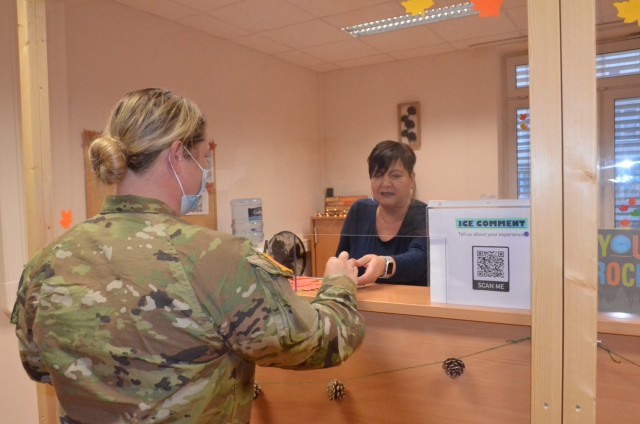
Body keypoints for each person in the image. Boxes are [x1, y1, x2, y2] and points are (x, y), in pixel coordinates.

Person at [11, 88, 365, 423]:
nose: (205, 175)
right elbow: (321, 342)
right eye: (204, 160)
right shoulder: (218, 259)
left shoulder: (47, 261)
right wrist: (338, 284)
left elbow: (38, 365)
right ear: (178, 155)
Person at [336, 140, 428, 286]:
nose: (385, 183)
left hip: (409, 306)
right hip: (360, 305)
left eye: (396, 176)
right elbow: (342, 259)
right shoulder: (359, 211)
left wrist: (384, 265)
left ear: (411, 179)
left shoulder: (425, 214)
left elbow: (420, 259)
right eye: (378, 175)